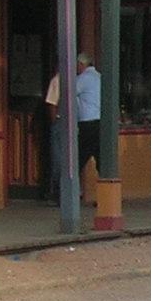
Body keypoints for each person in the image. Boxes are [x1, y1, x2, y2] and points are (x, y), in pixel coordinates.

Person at [42, 52, 102, 204]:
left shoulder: (82, 79)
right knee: (101, 161)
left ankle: (64, 195)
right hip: (100, 123)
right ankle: (106, 198)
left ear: (82, 65)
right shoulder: (100, 77)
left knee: (75, 160)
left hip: (87, 123)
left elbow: (67, 92)